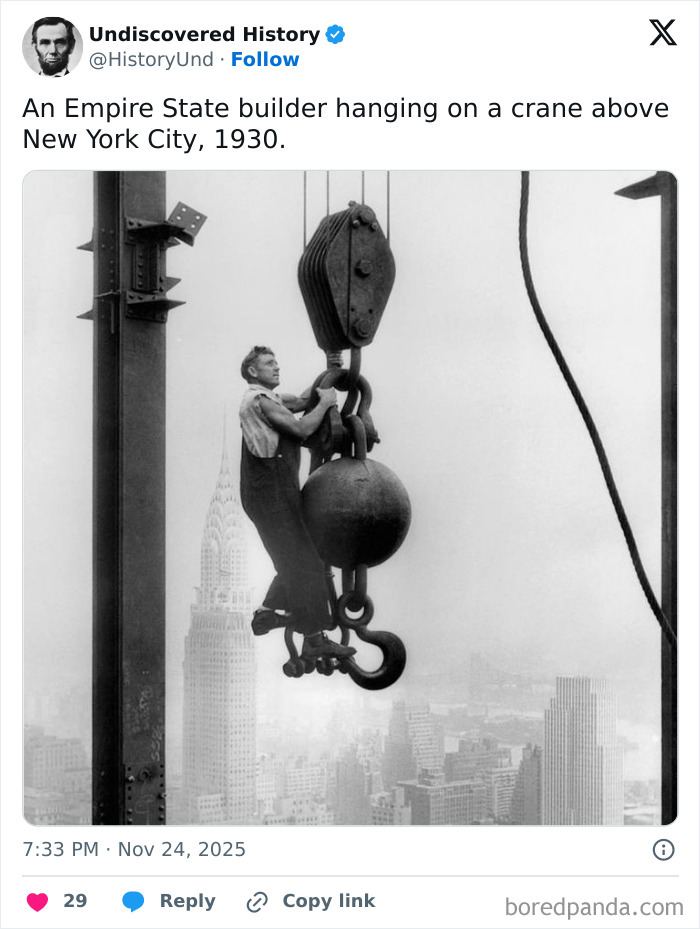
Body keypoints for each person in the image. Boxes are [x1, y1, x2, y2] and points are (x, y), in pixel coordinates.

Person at [239, 346, 356, 661]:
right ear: (252, 371)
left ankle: (267, 614)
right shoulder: (259, 401)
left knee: (296, 558)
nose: (276, 367)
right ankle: (314, 638)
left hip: (277, 491)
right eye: (268, 363)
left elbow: (304, 401)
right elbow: (303, 429)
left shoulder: (273, 399)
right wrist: (328, 403)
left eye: (277, 361)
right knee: (303, 562)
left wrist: (329, 371)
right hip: (270, 492)